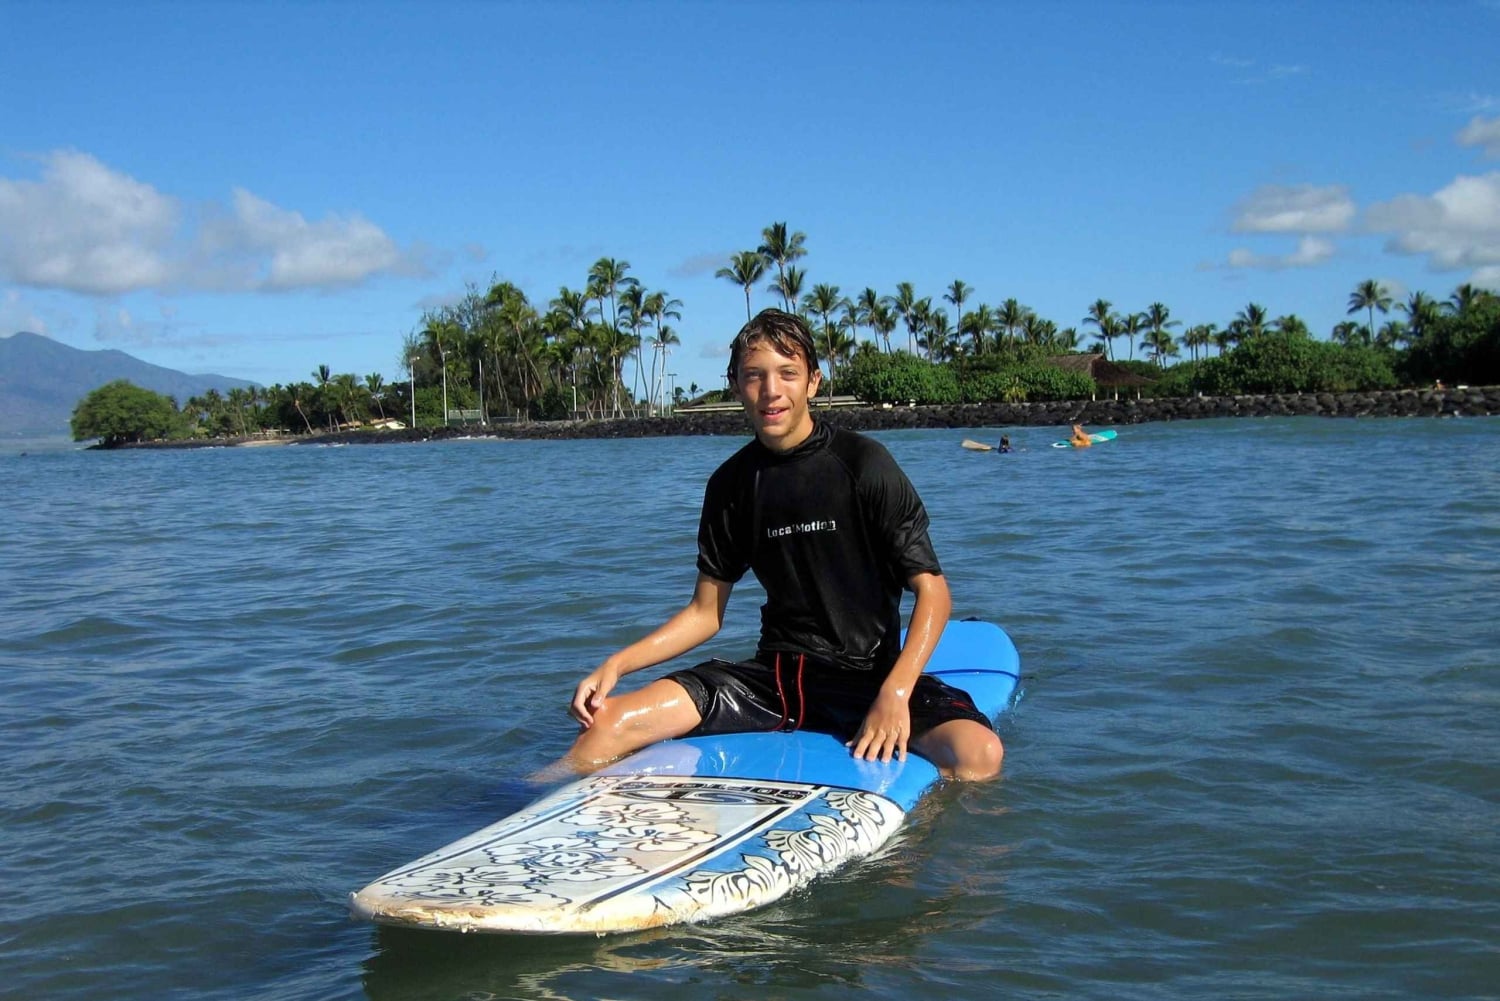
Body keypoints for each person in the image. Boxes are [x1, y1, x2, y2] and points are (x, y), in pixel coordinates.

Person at [555, 309, 1003, 782]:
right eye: (755, 376)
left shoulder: (863, 464)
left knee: (979, 753)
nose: (771, 390)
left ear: (812, 381)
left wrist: (894, 695)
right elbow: (705, 614)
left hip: (869, 679)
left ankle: (914, 838)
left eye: (787, 373)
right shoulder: (731, 484)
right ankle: (525, 808)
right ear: (736, 385)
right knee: (606, 726)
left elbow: (934, 592)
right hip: (775, 681)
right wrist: (616, 665)